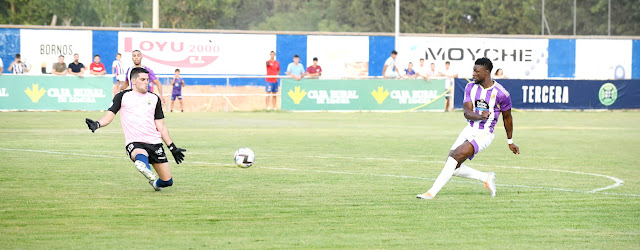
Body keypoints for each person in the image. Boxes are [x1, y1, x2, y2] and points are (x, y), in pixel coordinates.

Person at [417, 57, 520, 200]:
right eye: (473, 71)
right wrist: (480, 116)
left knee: (455, 156)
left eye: (477, 71)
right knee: (453, 165)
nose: (473, 74)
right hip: (469, 128)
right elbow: (466, 112)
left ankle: (431, 193)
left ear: (486, 72)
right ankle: (486, 177)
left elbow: (507, 118)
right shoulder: (470, 87)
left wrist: (510, 141)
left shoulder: (502, 93)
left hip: (485, 133)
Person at [85, 67, 186, 191]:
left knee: (167, 181)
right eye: (142, 79)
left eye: (147, 80)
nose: (146, 82)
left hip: (154, 143)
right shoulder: (122, 96)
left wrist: (172, 147)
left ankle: (154, 183)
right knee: (140, 157)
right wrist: (97, 124)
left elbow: (161, 126)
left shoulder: (154, 99)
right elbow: (109, 116)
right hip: (135, 142)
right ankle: (144, 168)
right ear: (133, 81)